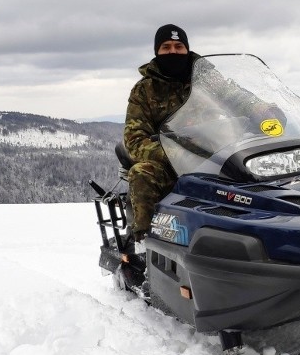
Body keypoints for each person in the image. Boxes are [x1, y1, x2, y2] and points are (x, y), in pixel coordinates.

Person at [121, 24, 283, 242]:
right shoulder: (144, 90)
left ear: (187, 49)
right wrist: (173, 154)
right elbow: (135, 139)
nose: (173, 52)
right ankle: (144, 241)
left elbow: (234, 95)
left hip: (217, 150)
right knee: (141, 173)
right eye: (166, 47)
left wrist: (261, 110)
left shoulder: (205, 78)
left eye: (179, 46)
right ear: (157, 52)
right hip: (174, 162)